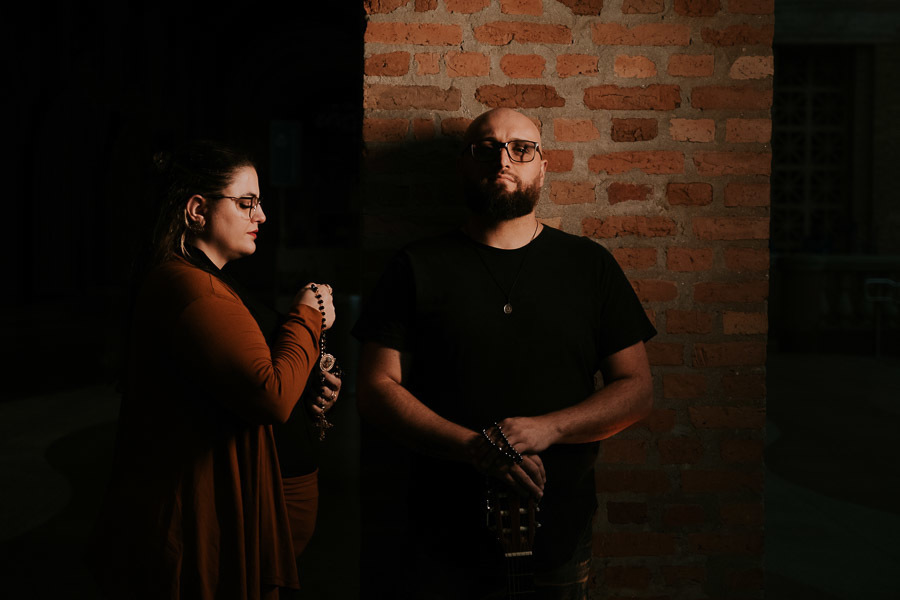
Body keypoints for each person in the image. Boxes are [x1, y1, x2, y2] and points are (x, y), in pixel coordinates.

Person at [353, 108, 657, 599]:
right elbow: (374, 388)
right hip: (440, 528)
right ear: (463, 165)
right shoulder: (416, 266)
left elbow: (637, 390)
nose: (503, 160)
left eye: (521, 148)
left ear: (542, 165)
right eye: (486, 148)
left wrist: (547, 427)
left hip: (559, 526)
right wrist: (475, 446)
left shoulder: (589, 265)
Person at [90, 140, 339, 600]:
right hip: (230, 512)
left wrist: (310, 378)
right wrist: (308, 315)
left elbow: (241, 376)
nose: (260, 216)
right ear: (197, 209)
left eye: (259, 204)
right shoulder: (193, 288)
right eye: (246, 203)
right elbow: (269, 395)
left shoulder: (209, 280)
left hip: (256, 504)